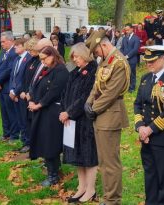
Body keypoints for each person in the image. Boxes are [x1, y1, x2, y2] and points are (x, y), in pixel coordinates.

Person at [84, 30, 130, 205]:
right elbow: (97, 86)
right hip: (100, 114)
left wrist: (93, 109)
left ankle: (113, 200)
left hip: (110, 114)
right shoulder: (105, 60)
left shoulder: (119, 62)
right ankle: (108, 196)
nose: (96, 55)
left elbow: (111, 93)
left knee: (110, 162)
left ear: (104, 45)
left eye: (96, 51)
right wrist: (88, 103)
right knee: (103, 160)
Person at [134, 45, 164, 205]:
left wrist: (150, 129)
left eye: (152, 61)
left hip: (162, 137)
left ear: (163, 58)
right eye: (147, 61)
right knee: (150, 175)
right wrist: (140, 127)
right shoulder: (145, 79)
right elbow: (138, 105)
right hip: (145, 137)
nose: (148, 64)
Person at [60, 43, 99, 203]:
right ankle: (81, 187)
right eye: (73, 57)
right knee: (77, 156)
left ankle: (91, 189)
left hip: (85, 120)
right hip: (70, 120)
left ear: (84, 54)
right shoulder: (75, 72)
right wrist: (64, 111)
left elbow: (86, 97)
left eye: (76, 56)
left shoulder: (93, 71)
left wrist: (70, 112)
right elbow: (65, 93)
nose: (74, 60)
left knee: (88, 156)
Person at [28, 46, 69, 186]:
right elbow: (35, 86)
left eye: (45, 58)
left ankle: (54, 175)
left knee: (51, 144)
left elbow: (54, 92)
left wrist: (38, 105)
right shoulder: (48, 68)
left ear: (52, 55)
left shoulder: (61, 71)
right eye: (41, 59)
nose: (43, 62)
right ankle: (51, 170)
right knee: (44, 142)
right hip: (42, 111)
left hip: (52, 112)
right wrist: (32, 99)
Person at [0, 31, 19, 142]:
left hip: (8, 87)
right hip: (1, 87)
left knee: (11, 112)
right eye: (1, 42)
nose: (2, 44)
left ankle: (14, 135)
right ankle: (6, 133)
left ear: (10, 40)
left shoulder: (14, 53)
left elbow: (9, 70)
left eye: (3, 42)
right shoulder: (4, 52)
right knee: (4, 111)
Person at [9, 38, 32, 149]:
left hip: (22, 94)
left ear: (23, 46)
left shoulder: (28, 59)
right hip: (15, 94)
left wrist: (16, 92)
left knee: (25, 119)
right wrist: (11, 90)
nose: (14, 47)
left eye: (17, 45)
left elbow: (24, 79)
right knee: (19, 119)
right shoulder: (16, 59)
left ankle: (28, 142)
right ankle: (23, 140)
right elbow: (12, 77)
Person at [19, 38, 40, 153]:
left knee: (33, 121)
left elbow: (36, 80)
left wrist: (29, 94)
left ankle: (33, 144)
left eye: (30, 50)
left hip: (33, 96)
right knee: (26, 120)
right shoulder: (30, 60)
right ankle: (28, 142)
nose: (29, 52)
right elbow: (24, 78)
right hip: (25, 95)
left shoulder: (39, 61)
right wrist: (22, 91)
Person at [120, 24, 140, 93]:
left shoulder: (136, 38)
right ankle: (125, 86)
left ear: (132, 29)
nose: (126, 31)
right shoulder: (124, 38)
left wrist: (127, 56)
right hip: (124, 59)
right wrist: (122, 55)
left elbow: (135, 49)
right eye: (125, 30)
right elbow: (122, 48)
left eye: (128, 29)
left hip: (132, 59)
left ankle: (132, 87)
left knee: (132, 74)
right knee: (125, 73)